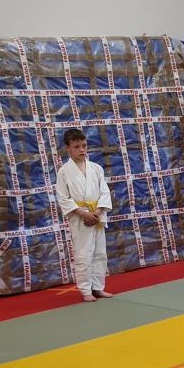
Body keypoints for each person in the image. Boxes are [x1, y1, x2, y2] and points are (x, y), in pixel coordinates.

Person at [55, 128, 113, 303]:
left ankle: (98, 287)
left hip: (97, 215)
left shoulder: (96, 168)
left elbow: (104, 192)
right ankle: (86, 290)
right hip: (80, 217)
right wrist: (84, 214)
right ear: (68, 148)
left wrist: (98, 212)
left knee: (100, 253)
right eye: (77, 146)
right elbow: (63, 198)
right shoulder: (64, 172)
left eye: (84, 145)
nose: (82, 149)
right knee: (83, 254)